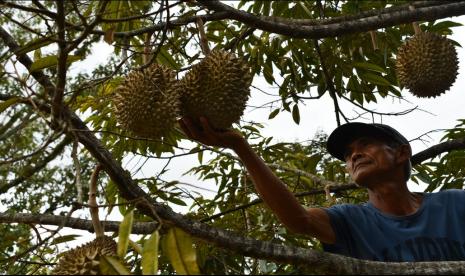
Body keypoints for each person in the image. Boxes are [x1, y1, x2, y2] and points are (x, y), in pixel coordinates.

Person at [179, 117, 465, 262]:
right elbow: (297, 220)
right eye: (348, 154)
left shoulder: (455, 204)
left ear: (402, 154)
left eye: (365, 144)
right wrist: (240, 147)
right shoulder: (350, 221)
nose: (354, 155)